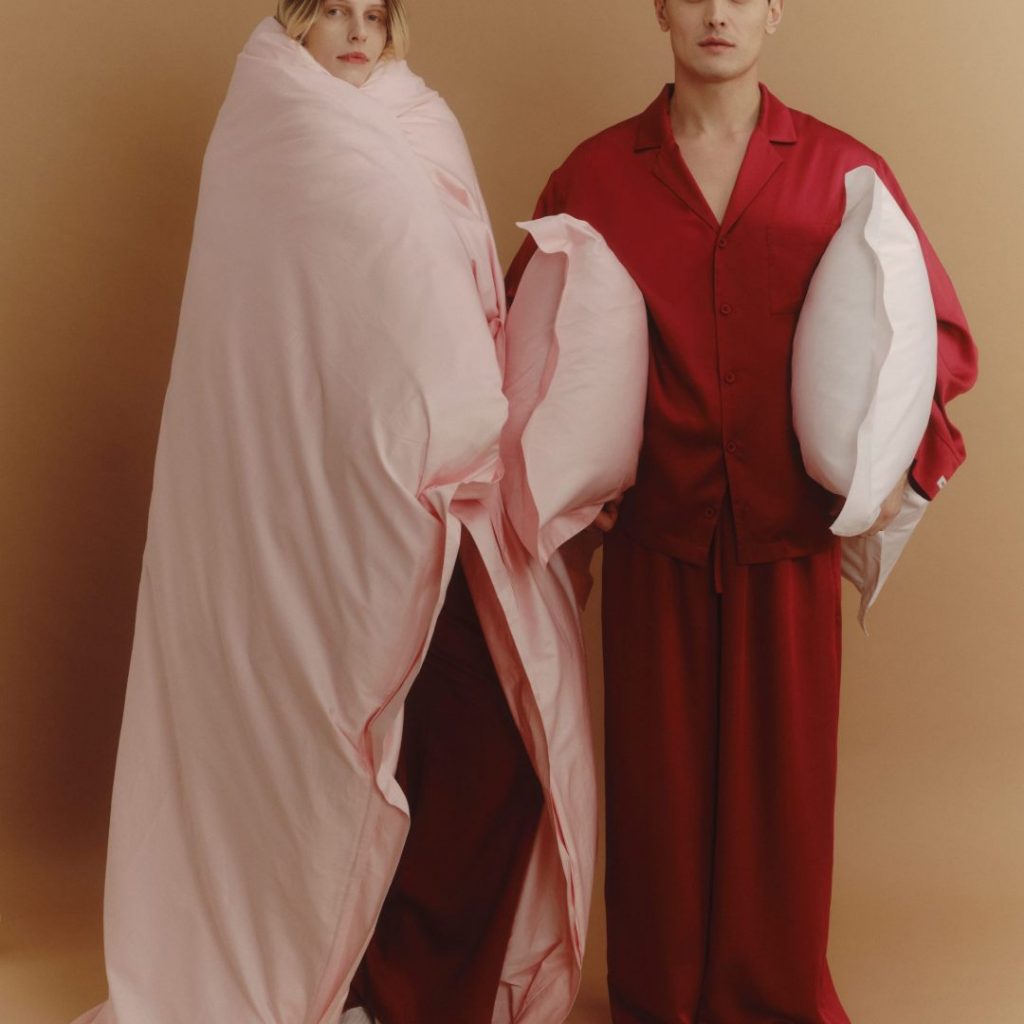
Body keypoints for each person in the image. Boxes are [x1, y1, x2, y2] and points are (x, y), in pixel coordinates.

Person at [70, 3, 649, 1022]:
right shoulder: (272, 130)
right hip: (316, 500)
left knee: (490, 736)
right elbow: (291, 332)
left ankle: (424, 992)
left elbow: (457, 294)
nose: (354, 31)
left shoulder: (422, 120)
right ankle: (369, 984)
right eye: (332, 9)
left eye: (373, 12)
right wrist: (436, 420)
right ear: (296, 17)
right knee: (338, 752)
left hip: (445, 493)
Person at [507, 2, 979, 1022]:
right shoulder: (593, 177)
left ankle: (771, 1001)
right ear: (660, 9)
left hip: (789, 539)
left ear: (776, 10)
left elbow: (929, 334)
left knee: (784, 803)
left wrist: (884, 471)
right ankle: (660, 1001)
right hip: (656, 537)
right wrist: (566, 485)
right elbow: (531, 337)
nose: (717, 12)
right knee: (658, 799)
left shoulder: (844, 174)